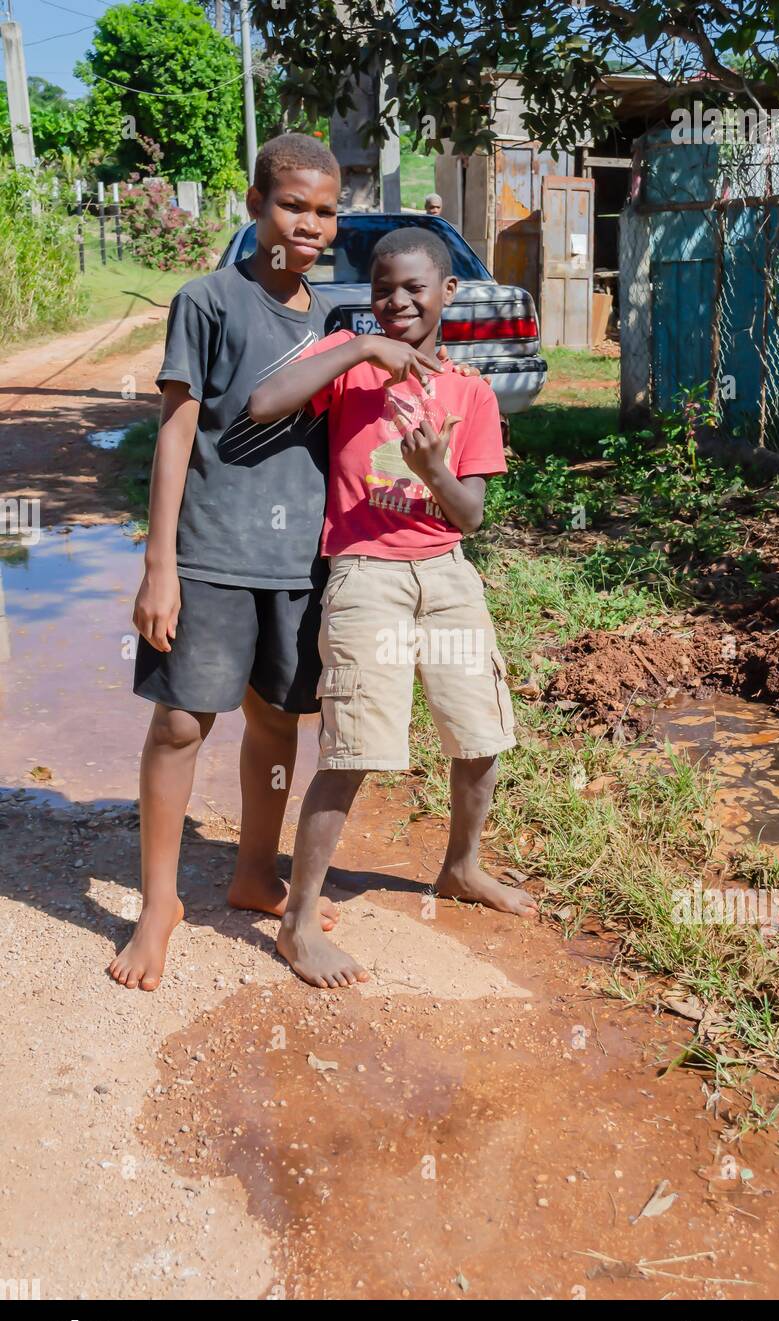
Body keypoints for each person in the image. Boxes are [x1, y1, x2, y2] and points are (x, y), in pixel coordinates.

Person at [248, 227, 537, 989]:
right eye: (383, 290)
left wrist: (436, 471)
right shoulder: (351, 371)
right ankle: (299, 921)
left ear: (448, 293)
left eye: (414, 288)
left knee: (478, 734)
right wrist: (360, 349)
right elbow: (263, 401)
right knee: (355, 750)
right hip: (365, 577)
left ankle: (459, 867)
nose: (397, 301)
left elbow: (470, 516)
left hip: (444, 575)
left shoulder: (469, 392)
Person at [110, 134, 341, 991]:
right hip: (209, 552)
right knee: (179, 724)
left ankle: (253, 871)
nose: (307, 224)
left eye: (323, 210)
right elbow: (177, 432)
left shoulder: (334, 321)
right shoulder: (206, 300)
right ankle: (156, 904)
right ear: (254, 205)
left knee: (278, 724)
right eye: (291, 205)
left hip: (296, 563)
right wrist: (158, 563)